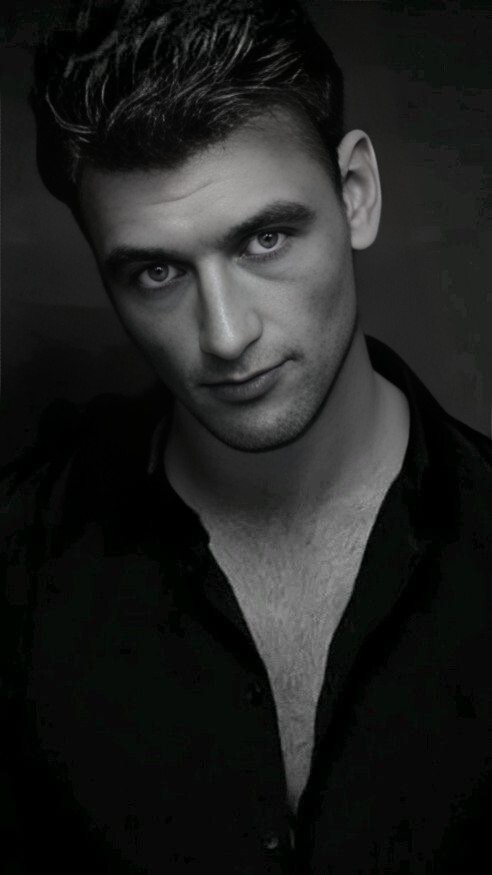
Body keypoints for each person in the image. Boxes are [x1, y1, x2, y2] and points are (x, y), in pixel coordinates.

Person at [1, 1, 490, 871]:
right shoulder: (21, 567)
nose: (226, 335)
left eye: (266, 238)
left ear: (356, 195)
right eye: (157, 271)